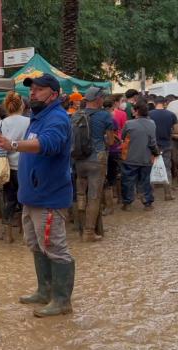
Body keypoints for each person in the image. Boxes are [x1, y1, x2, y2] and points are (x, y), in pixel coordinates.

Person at [0, 73, 75, 318]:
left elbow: (48, 144)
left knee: (55, 247)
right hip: (32, 196)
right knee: (37, 245)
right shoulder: (36, 118)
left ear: (54, 94)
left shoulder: (57, 118)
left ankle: (61, 300)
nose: (32, 93)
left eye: (39, 89)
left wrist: (12, 145)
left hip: (49, 196)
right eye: (32, 89)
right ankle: (44, 290)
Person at [74, 87, 114, 242]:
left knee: (80, 195)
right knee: (94, 196)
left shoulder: (76, 115)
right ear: (98, 100)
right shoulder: (105, 115)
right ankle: (89, 232)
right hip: (97, 159)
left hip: (79, 160)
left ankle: (80, 228)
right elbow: (110, 141)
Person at [0, 91, 30, 243]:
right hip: (24, 167)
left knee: (9, 200)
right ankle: (26, 234)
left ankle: (7, 235)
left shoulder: (1, 123)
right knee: (26, 200)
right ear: (23, 105)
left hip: (5, 168)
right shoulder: (29, 122)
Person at [120, 101, 159, 211]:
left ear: (136, 111)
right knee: (146, 181)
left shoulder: (129, 124)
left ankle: (127, 203)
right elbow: (152, 142)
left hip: (130, 158)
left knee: (128, 181)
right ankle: (147, 203)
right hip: (146, 158)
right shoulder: (152, 123)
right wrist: (156, 152)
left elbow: (123, 137)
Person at [149, 96, 178, 201]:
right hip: (166, 145)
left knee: (151, 169)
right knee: (167, 168)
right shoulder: (171, 114)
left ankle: (151, 195)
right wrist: (169, 133)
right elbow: (177, 131)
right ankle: (168, 194)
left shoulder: (149, 114)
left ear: (154, 103)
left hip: (152, 146)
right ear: (165, 103)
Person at [102, 95, 121, 215]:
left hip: (107, 151)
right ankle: (119, 199)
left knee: (106, 180)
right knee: (115, 176)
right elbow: (115, 134)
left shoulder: (103, 118)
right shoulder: (111, 118)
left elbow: (111, 137)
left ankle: (108, 206)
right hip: (114, 150)